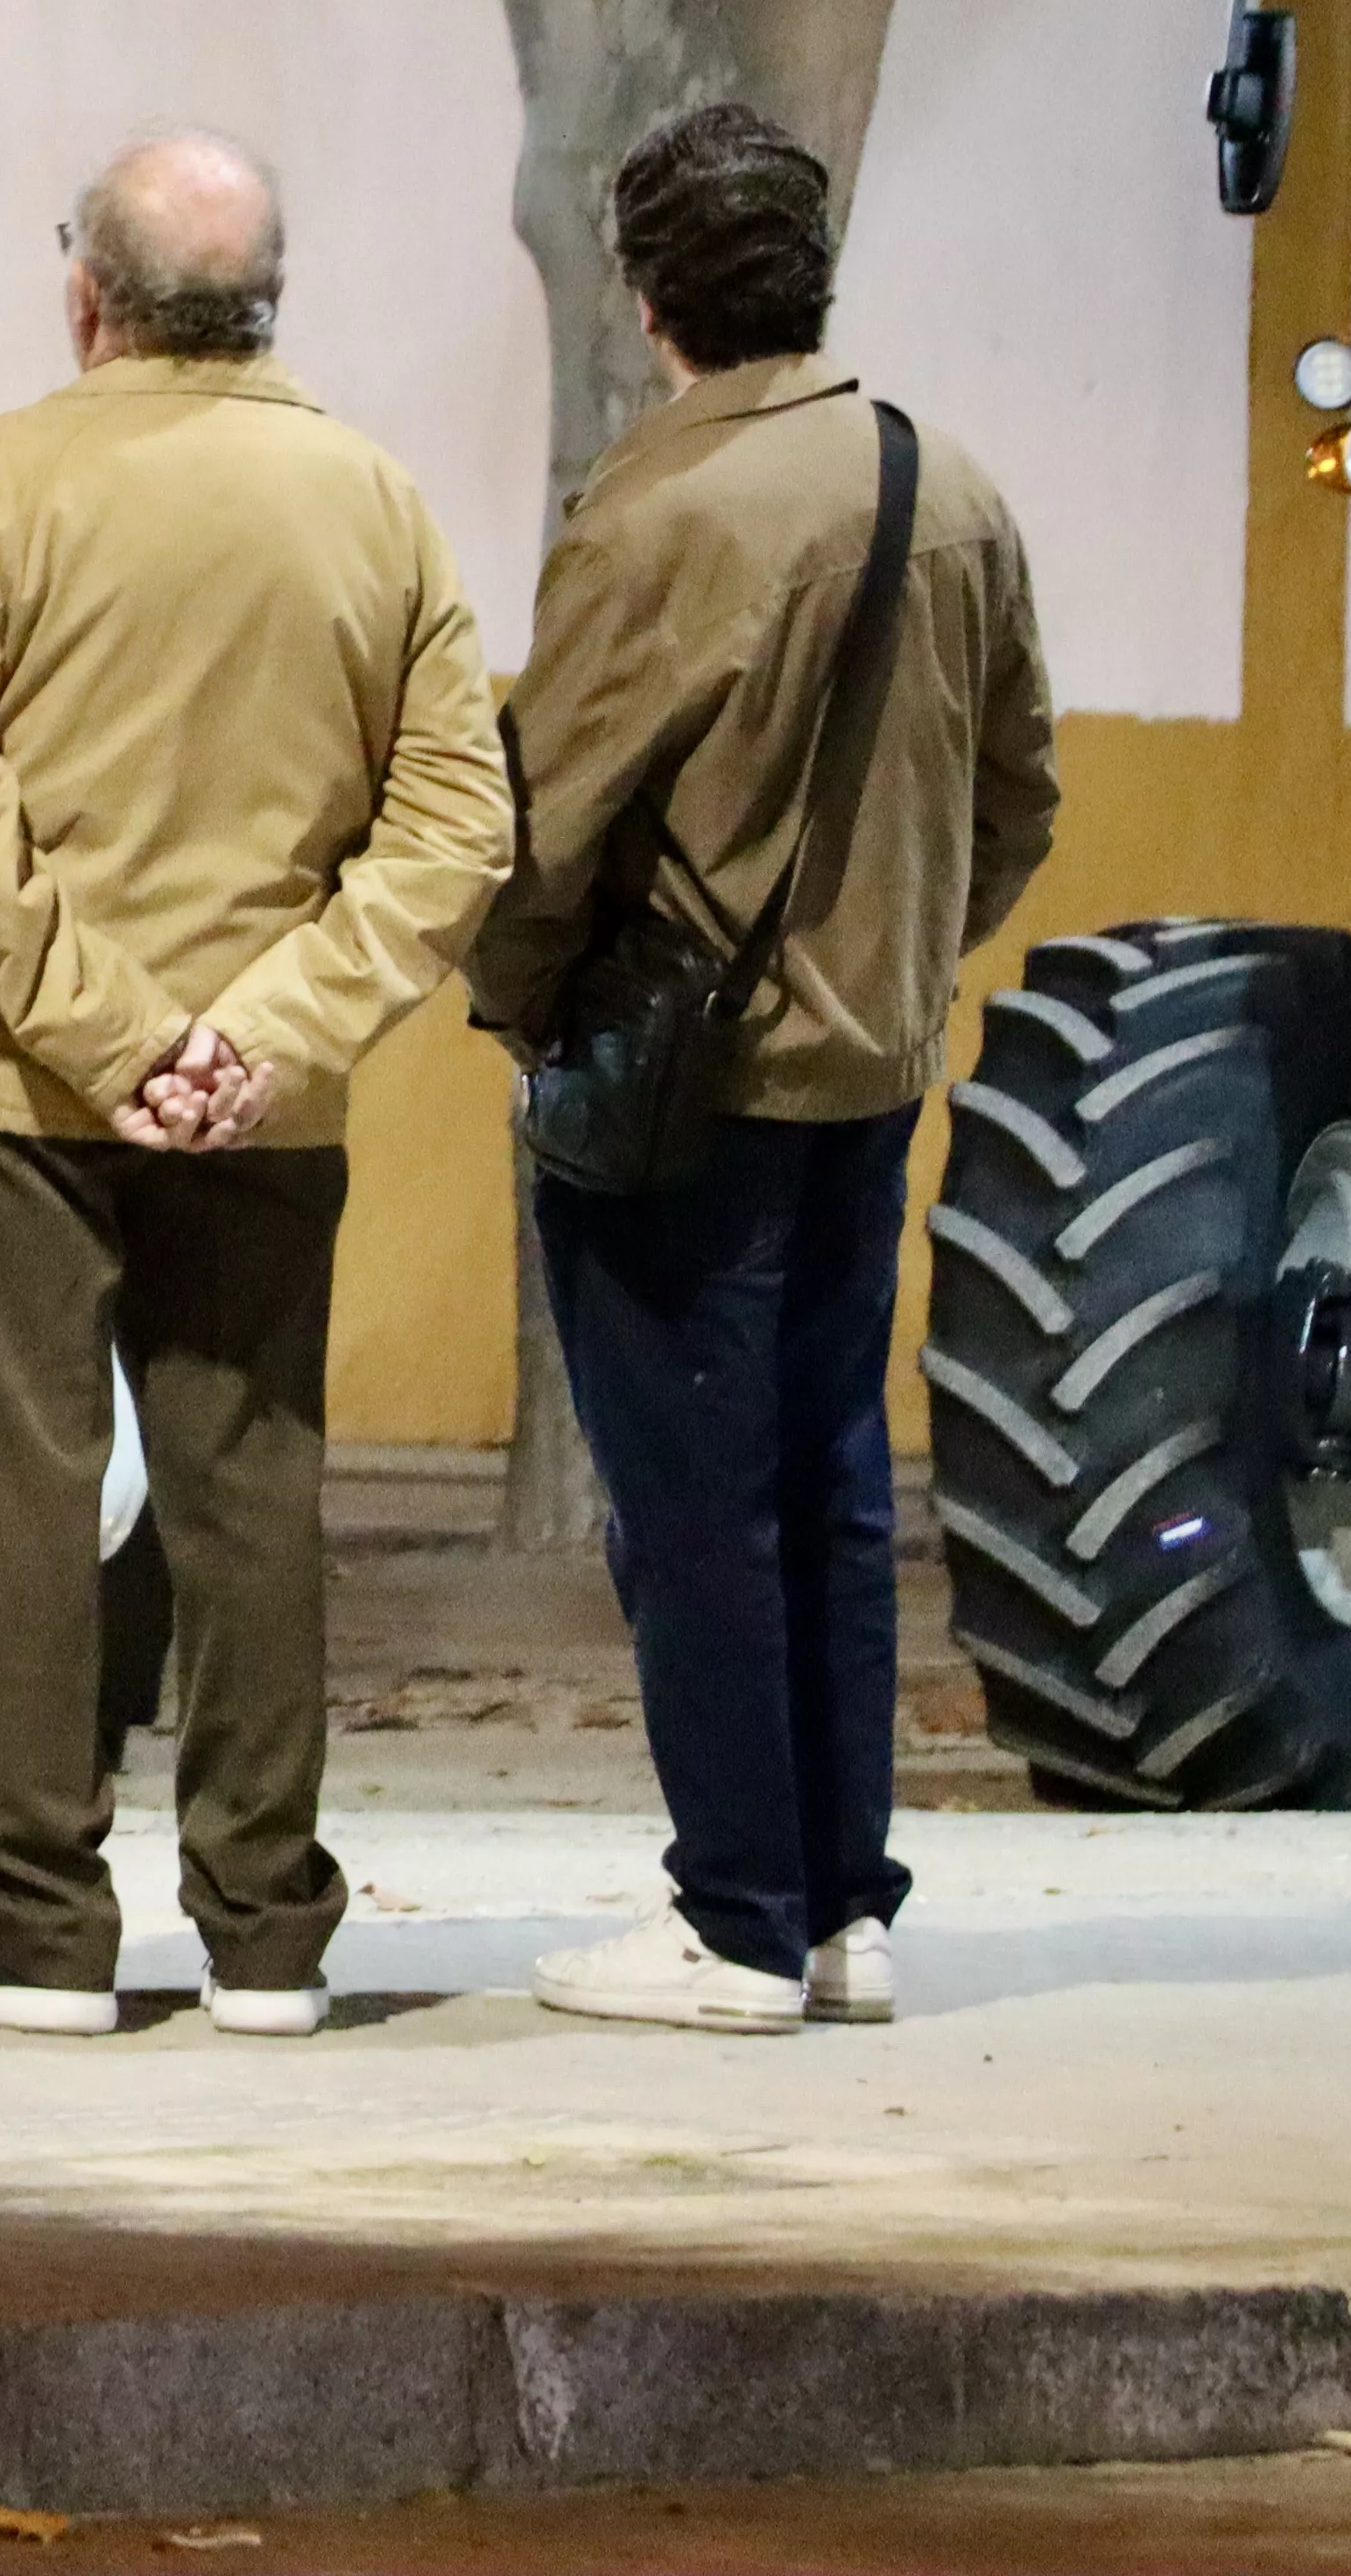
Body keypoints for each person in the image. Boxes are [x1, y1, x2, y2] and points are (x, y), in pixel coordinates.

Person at [0, 130, 514, 2039]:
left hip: (6, 1094)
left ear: (86, 294)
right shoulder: (376, 505)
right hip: (264, 1109)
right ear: (270, 299)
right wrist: (265, 1030)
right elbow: (454, 823)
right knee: (253, 1500)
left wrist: (106, 1029)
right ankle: (268, 1934)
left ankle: (39, 1924)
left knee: (31, 1496)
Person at [473, 103, 1059, 2035]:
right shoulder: (945, 482)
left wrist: (523, 1005)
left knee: (693, 1497)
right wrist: (889, 959)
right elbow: (1018, 795)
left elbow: (546, 825)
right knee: (829, 1480)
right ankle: (839, 1907)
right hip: (869, 1066)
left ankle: (728, 1913)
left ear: (650, 301)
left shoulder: (659, 515)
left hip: (686, 1090)